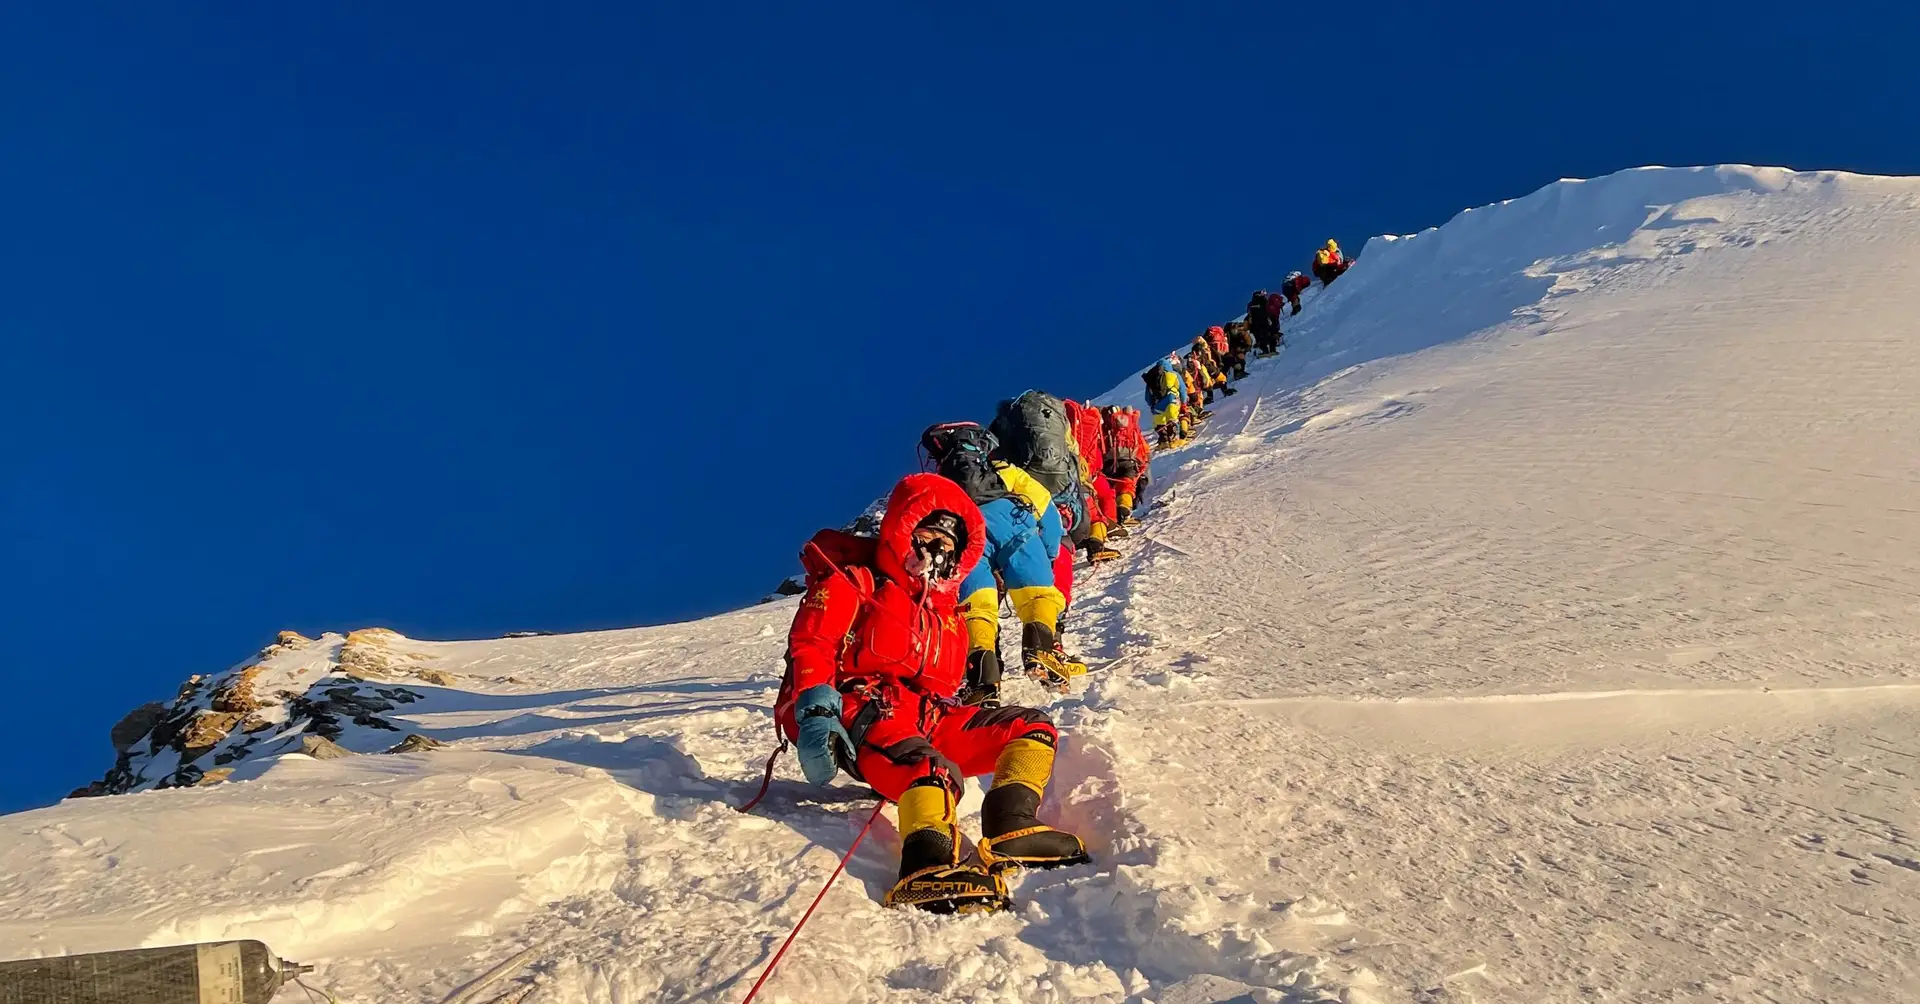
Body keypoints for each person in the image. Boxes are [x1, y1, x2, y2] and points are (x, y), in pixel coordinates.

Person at [779, 473, 1089, 913]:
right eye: (928, 534)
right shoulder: (857, 582)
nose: (938, 548)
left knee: (1030, 727)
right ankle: (925, 865)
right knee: (932, 769)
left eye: (949, 541)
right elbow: (813, 642)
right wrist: (815, 708)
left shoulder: (947, 615)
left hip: (927, 716)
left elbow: (945, 686)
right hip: (862, 711)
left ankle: (1011, 825)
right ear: (902, 531)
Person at [920, 422, 1082, 699]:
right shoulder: (1002, 469)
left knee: (978, 609)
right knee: (1037, 596)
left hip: (967, 540)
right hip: (1015, 527)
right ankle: (1039, 651)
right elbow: (1046, 509)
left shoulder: (940, 483)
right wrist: (1049, 552)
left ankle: (983, 681)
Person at [1066, 400, 1124, 556]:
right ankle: (1098, 543)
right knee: (1096, 514)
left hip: (1057, 479)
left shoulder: (1065, 434)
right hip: (1088, 477)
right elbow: (1095, 460)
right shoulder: (1089, 432)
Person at [1101, 405, 1150, 527]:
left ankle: (1111, 517)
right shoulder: (1132, 428)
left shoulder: (1105, 427)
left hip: (1108, 463)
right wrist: (1142, 463)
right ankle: (1124, 509)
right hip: (1129, 460)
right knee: (1127, 485)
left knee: (1110, 490)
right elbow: (1143, 449)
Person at [1144, 355, 1185, 448]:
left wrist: (1152, 406)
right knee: (1172, 418)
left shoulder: (1151, 377)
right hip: (1171, 399)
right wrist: (1184, 402)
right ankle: (1173, 438)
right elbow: (1182, 389)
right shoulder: (1173, 374)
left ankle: (1164, 440)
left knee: (1159, 422)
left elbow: (1147, 397)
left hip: (1157, 403)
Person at [1246, 290, 1280, 357]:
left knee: (1260, 338)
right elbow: (1271, 314)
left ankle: (1265, 350)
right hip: (1266, 323)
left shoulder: (1251, 305)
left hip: (1257, 325)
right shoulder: (1265, 303)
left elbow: (1249, 316)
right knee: (1271, 335)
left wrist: (1250, 326)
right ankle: (1272, 349)